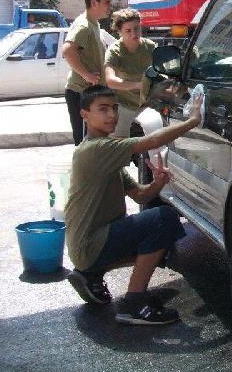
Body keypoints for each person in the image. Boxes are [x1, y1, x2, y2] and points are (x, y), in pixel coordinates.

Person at [64, 84, 203, 325]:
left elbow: (140, 195)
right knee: (165, 219)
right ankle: (134, 303)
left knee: (163, 241)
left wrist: (158, 183)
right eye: (103, 109)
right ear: (84, 114)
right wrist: (192, 121)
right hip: (90, 245)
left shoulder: (105, 152)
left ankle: (92, 272)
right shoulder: (94, 149)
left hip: (90, 246)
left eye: (114, 108)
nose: (112, 115)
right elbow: (151, 140)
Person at [62, 0, 114, 145]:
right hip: (80, 93)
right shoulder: (84, 26)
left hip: (90, 93)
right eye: (107, 2)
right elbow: (67, 51)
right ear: (94, 3)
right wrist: (87, 75)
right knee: (85, 144)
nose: (110, 7)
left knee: (94, 142)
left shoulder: (94, 23)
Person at [104, 9, 156, 138]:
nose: (134, 34)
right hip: (123, 106)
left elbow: (164, 69)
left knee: (160, 141)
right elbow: (110, 81)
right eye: (128, 30)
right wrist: (139, 85)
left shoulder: (150, 47)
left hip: (148, 106)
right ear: (120, 32)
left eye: (137, 29)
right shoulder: (114, 51)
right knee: (119, 145)